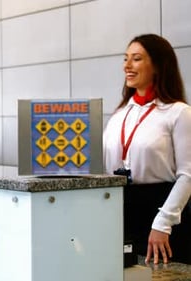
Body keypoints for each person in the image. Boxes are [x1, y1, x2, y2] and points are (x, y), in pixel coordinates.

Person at [103, 34, 191, 265]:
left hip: (161, 213)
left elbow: (188, 175)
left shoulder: (178, 112)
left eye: (137, 58)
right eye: (125, 59)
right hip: (120, 211)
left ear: (158, 66)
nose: (127, 66)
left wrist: (163, 223)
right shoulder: (120, 114)